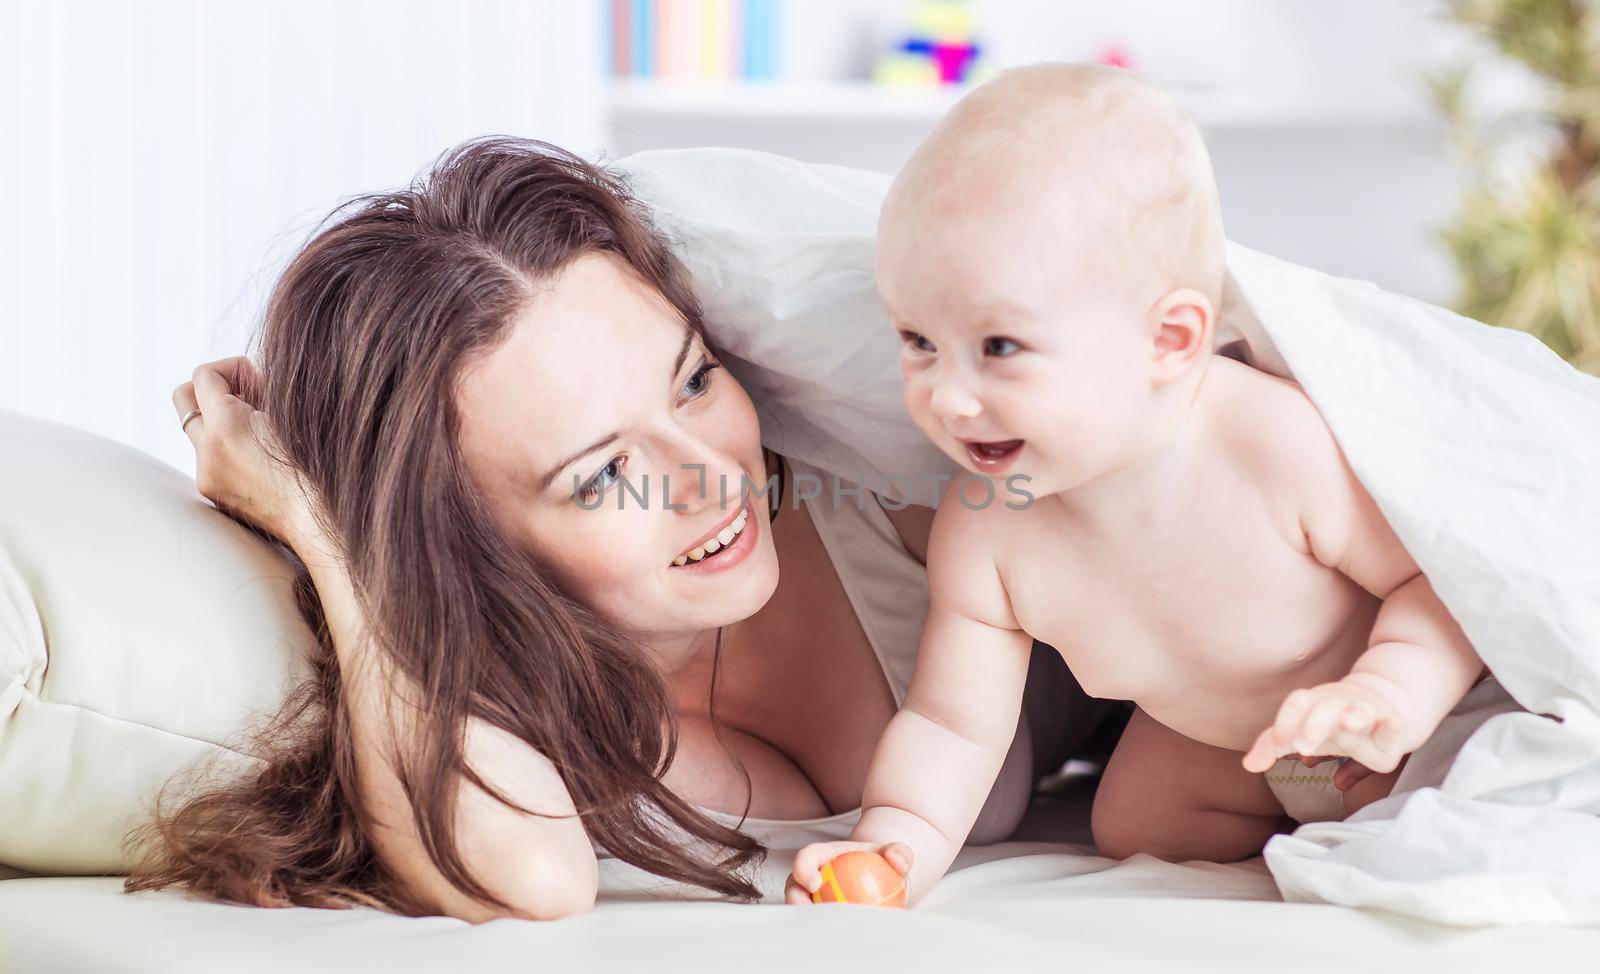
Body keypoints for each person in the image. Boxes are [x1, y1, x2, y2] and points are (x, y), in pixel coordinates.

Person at [140, 137, 1123, 922]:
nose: (712, 478)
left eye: (694, 380)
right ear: (468, 541)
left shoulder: (878, 493)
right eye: (605, 470)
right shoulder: (533, 717)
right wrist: (327, 532)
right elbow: (529, 879)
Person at [786, 64, 1485, 906]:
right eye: (918, 341)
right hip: (1216, 743)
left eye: (999, 346)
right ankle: (1292, 838)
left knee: (1432, 827)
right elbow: (952, 724)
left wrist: (1389, 689)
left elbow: (1437, 574)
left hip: (1383, 723)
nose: (947, 396)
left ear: (1169, 339)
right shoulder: (987, 528)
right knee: (1136, 827)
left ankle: (1355, 810)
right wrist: (896, 841)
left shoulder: (1270, 442)